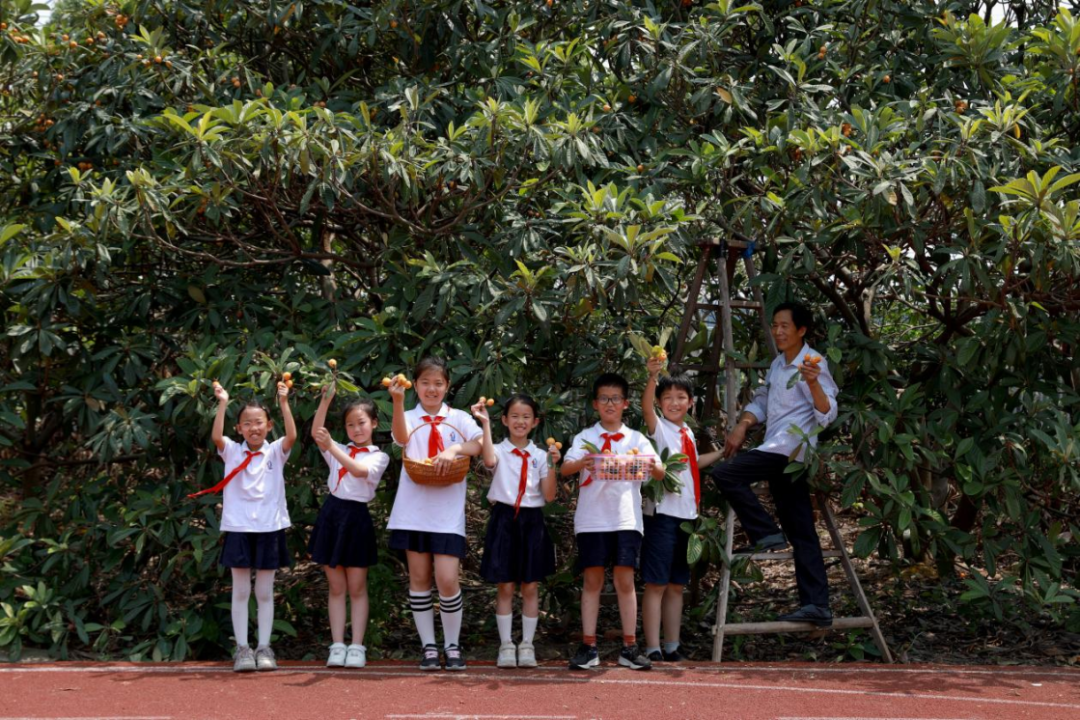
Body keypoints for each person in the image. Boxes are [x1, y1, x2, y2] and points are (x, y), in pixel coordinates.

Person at [710, 301, 839, 626]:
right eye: (775, 325)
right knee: (802, 531)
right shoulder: (779, 364)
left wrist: (811, 382)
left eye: (785, 326)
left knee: (725, 472)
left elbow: (827, 414)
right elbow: (765, 400)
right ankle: (817, 605)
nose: (778, 331)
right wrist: (742, 424)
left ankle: (766, 533)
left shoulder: (814, 363)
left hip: (790, 447)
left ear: (801, 330)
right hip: (781, 450)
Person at [561, 372, 664, 671]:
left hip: (626, 519)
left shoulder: (637, 439)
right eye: (604, 398)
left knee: (624, 581)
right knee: (592, 581)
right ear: (595, 404)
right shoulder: (585, 437)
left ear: (625, 404)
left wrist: (651, 464)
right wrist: (584, 462)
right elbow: (566, 468)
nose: (610, 403)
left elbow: (658, 472)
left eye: (615, 399)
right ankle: (589, 646)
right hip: (592, 520)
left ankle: (630, 647)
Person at [385, 356, 483, 671]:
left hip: (447, 514)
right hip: (413, 511)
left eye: (438, 383)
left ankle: (452, 646)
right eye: (425, 383)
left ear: (447, 387)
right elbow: (401, 439)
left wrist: (455, 449)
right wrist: (398, 403)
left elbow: (480, 443)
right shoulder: (409, 416)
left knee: (447, 579)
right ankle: (429, 647)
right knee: (419, 578)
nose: (431, 389)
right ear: (416, 385)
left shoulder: (459, 418)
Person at [194, 378, 297, 673]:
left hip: (270, 528)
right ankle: (242, 649)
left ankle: (264, 647)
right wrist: (223, 402)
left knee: (264, 592)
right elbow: (216, 436)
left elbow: (292, 436)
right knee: (240, 591)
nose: (254, 428)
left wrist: (284, 402)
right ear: (238, 429)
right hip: (239, 528)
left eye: (259, 422)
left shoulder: (276, 450)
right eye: (247, 423)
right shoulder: (231, 450)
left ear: (268, 426)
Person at [639, 361, 722, 662]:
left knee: (676, 584)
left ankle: (672, 644)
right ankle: (652, 647)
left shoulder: (686, 430)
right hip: (662, 516)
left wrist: (724, 453)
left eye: (681, 397)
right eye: (668, 398)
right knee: (657, 583)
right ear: (661, 403)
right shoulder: (660, 428)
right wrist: (652, 376)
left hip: (688, 517)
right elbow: (645, 407)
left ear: (691, 401)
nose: (675, 403)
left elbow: (692, 465)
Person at [472, 393, 560, 669]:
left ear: (535, 422)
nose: (520, 422)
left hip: (532, 521)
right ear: (505, 420)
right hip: (504, 519)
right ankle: (506, 645)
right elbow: (487, 461)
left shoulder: (541, 455)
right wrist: (484, 424)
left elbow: (549, 496)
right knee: (506, 585)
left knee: (531, 585)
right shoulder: (498, 449)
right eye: (515, 417)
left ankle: (527, 645)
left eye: (526, 417)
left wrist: (553, 464)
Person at [308, 385, 390, 669]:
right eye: (350, 425)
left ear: (374, 424)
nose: (356, 429)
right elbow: (317, 432)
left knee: (356, 587)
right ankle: (337, 644)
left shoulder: (378, 456)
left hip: (356, 519)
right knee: (336, 586)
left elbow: (358, 471)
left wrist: (331, 446)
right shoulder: (338, 449)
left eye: (362, 423)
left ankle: (357, 644)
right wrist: (325, 400)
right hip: (332, 515)